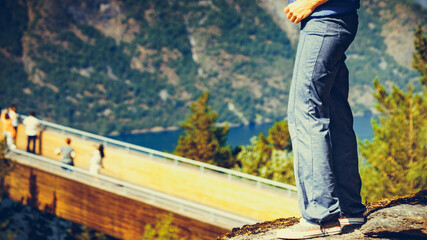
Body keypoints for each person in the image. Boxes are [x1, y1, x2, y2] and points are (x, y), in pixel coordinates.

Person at [278, 0, 366, 239]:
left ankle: (320, 216)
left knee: (305, 112)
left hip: (325, 21)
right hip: (335, 20)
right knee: (335, 112)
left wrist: (311, 2)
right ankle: (349, 208)